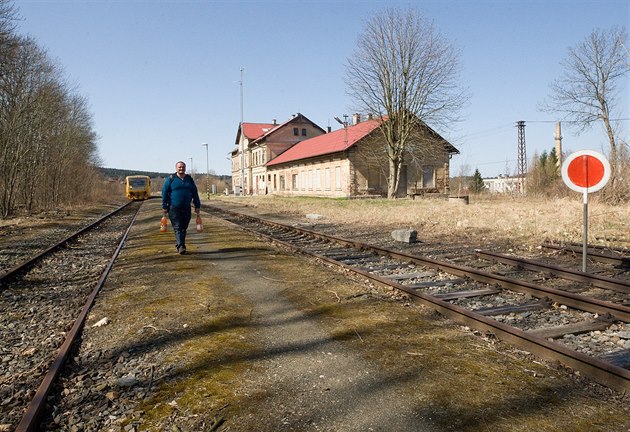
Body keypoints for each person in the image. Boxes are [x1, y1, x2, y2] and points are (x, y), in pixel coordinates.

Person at [162, 161, 201, 255]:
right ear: (176, 168)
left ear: (185, 168)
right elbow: (164, 192)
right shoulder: (171, 179)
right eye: (179, 167)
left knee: (184, 227)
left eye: (183, 167)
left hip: (186, 208)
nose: (181, 169)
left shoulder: (189, 180)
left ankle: (180, 244)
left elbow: (195, 193)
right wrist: (164, 206)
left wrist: (197, 205)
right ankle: (181, 246)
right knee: (178, 227)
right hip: (174, 208)